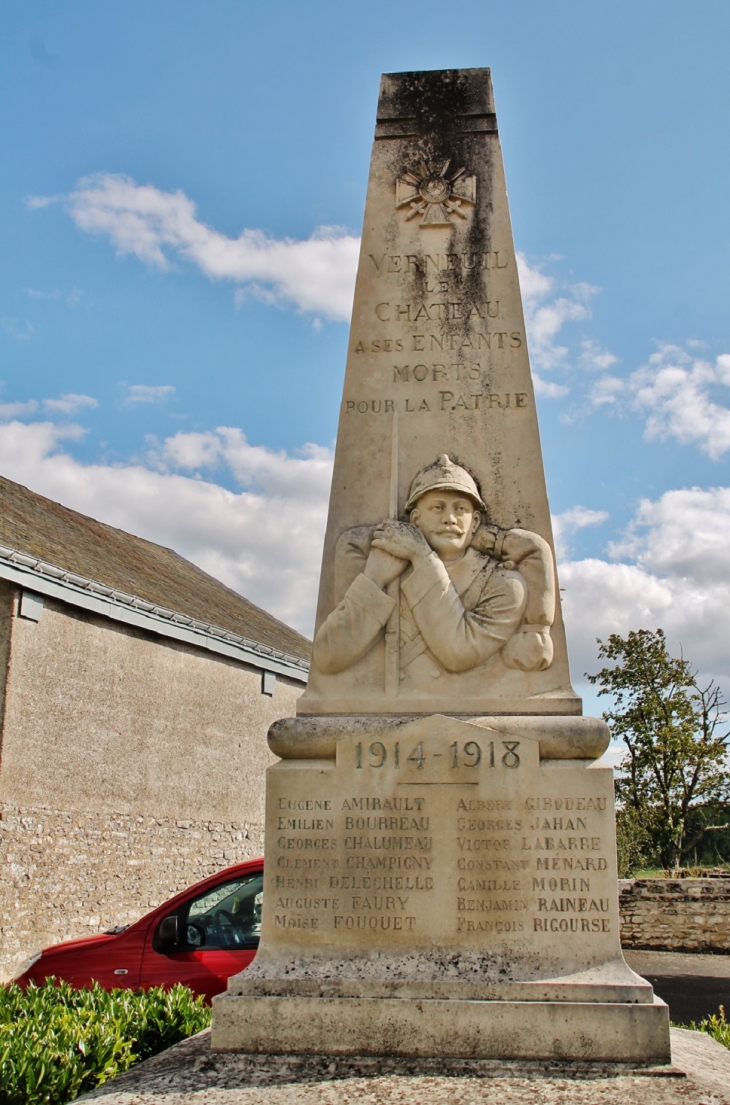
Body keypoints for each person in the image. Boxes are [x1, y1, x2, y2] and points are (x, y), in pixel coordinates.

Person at [313, 455, 554, 682]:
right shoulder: (383, 566)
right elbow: (329, 657)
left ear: (476, 522)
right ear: (415, 520)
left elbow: (458, 652)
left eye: (460, 509)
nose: (450, 518)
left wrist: (422, 556)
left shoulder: (503, 583)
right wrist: (373, 579)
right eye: (438, 508)